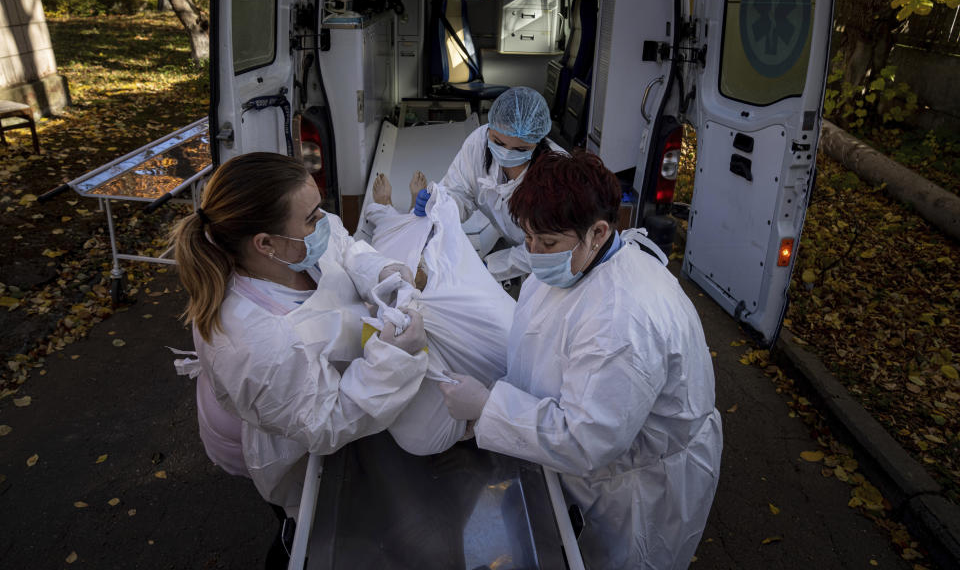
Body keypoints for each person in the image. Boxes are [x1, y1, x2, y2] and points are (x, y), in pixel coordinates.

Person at [438, 151, 723, 569]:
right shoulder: (573, 265)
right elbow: (541, 351)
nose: (534, 252)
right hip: (583, 472)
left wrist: (489, 410)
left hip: (632, 492)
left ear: (599, 231)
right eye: (529, 238)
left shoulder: (622, 322)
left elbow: (585, 439)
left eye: (548, 243)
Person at [170, 152, 430, 562]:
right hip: (277, 437)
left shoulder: (293, 245)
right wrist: (394, 360)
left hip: (290, 400)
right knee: (302, 528)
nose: (323, 222)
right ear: (265, 244)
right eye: (311, 218)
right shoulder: (253, 344)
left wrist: (385, 274)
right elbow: (325, 420)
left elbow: (342, 247)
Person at [437, 86, 564, 281]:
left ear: (537, 141)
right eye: (498, 142)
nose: (506, 153)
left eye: (520, 149)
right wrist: (441, 207)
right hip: (512, 241)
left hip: (550, 263)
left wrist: (493, 265)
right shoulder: (478, 142)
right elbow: (458, 189)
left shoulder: (558, 174)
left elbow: (550, 246)